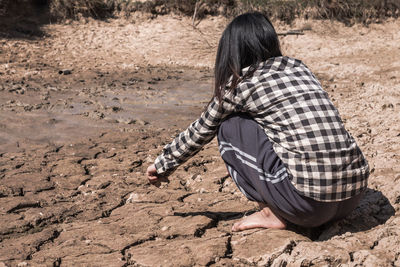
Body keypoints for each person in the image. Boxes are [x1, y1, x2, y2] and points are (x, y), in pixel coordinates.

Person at [146, 12, 369, 232]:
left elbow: (201, 130)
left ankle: (269, 212)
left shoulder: (240, 84)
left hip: (308, 207)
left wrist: (162, 164)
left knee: (229, 126)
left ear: (232, 51)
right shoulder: (299, 68)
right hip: (353, 196)